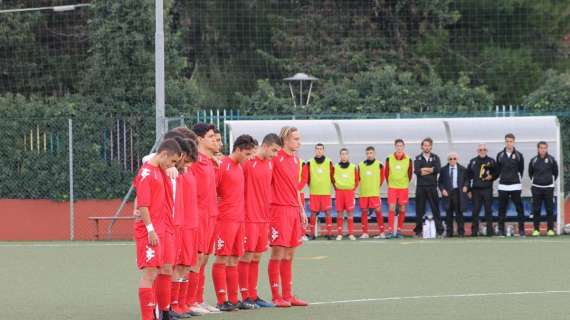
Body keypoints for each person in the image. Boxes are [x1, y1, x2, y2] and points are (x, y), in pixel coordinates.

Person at [132, 139, 181, 320]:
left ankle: (162, 312)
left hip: (162, 228)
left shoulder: (159, 170)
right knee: (150, 272)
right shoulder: (146, 173)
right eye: (172, 161)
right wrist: (150, 229)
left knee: (162, 269)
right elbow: (143, 205)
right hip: (149, 230)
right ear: (163, 155)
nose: (172, 165)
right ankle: (148, 317)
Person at [211, 135, 257, 311]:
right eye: (246, 153)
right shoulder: (223, 165)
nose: (248, 157)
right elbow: (211, 189)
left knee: (235, 258)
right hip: (225, 219)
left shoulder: (239, 167)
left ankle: (233, 298)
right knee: (222, 256)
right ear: (237, 149)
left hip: (239, 219)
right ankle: (221, 300)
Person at [238, 133, 282, 308]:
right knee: (246, 256)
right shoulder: (249, 162)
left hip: (264, 218)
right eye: (273, 150)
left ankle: (254, 294)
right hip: (249, 217)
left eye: (277, 152)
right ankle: (244, 296)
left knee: (256, 256)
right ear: (264, 146)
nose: (275, 154)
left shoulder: (270, 164)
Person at [268, 126, 308, 307]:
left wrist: (301, 209)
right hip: (278, 210)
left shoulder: (296, 161)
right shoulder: (275, 158)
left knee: (290, 254)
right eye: (296, 139)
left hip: (293, 210)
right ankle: (276, 296)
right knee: (278, 251)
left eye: (299, 139)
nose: (299, 142)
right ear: (285, 139)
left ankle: (288, 295)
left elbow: (295, 188)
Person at [188, 123, 221, 313]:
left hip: (211, 215)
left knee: (205, 258)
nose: (214, 139)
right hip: (198, 216)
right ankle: (189, 301)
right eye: (210, 136)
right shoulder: (194, 161)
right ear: (199, 139)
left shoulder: (210, 162)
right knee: (196, 258)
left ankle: (198, 299)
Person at [496, 133, 525, 237]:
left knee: (519, 209)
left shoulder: (519, 155)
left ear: (514, 142)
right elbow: (498, 169)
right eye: (507, 141)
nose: (509, 143)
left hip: (515, 186)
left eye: (511, 141)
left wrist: (515, 180)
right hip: (503, 186)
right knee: (501, 209)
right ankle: (500, 231)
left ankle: (521, 230)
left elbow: (521, 170)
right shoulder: (500, 155)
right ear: (505, 142)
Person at [413, 137, 443, 237]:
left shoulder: (435, 157)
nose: (426, 147)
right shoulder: (418, 158)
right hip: (421, 187)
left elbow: (437, 169)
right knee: (419, 210)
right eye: (425, 145)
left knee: (435, 209)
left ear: (431, 146)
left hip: (432, 186)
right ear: (422, 146)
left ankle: (440, 231)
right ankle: (418, 231)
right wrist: (430, 169)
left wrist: (424, 170)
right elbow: (417, 171)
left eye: (428, 145)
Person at [528, 141, 559, 236]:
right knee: (536, 209)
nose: (543, 150)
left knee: (549, 209)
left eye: (544, 148)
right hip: (536, 188)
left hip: (549, 188)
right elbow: (530, 173)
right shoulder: (533, 160)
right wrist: (537, 181)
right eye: (541, 148)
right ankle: (536, 230)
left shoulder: (552, 160)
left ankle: (550, 229)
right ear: (538, 149)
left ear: (547, 149)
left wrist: (549, 181)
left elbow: (555, 173)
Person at [305, 143, 335, 240]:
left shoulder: (329, 162)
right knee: (313, 213)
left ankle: (329, 233)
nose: (319, 150)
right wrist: (311, 186)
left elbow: (332, 176)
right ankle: (312, 234)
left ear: (323, 150)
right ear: (315, 150)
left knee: (328, 212)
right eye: (317, 149)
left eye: (321, 149)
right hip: (314, 192)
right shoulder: (309, 162)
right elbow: (307, 178)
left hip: (325, 192)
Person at [466, 144, 497, 236]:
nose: (482, 151)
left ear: (487, 151)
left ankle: (490, 232)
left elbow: (496, 173)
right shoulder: (473, 161)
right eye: (480, 150)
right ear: (477, 151)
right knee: (475, 211)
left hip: (487, 189)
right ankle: (474, 232)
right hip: (476, 190)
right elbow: (468, 177)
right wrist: (469, 190)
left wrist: (492, 176)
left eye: (484, 149)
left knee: (488, 210)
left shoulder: (491, 161)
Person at [384, 139, 413, 238]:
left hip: (403, 188)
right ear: (395, 147)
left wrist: (403, 183)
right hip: (392, 187)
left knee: (402, 208)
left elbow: (410, 174)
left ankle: (399, 230)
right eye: (397, 146)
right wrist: (391, 183)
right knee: (391, 208)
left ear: (403, 147)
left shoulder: (408, 159)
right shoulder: (389, 158)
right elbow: (386, 173)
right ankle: (391, 231)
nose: (399, 147)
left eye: (401, 146)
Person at [438, 152, 469, 237]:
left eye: (454, 158)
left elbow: (467, 180)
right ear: (448, 160)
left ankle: (461, 232)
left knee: (459, 214)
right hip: (448, 194)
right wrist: (442, 190)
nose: (452, 160)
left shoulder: (463, 169)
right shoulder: (443, 169)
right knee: (449, 214)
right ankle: (449, 232)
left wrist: (466, 186)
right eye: (450, 159)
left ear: (457, 159)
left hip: (458, 193)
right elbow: (440, 182)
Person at [358, 146, 385, 239]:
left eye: (371, 153)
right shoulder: (361, 165)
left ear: (374, 153)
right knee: (364, 212)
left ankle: (382, 232)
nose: (369, 155)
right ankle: (365, 233)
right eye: (368, 153)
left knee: (378, 211)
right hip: (364, 193)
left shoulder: (379, 164)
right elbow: (358, 178)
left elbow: (382, 179)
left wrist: (375, 187)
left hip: (374, 193)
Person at [334, 148, 359, 240]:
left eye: (345, 154)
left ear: (348, 156)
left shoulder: (353, 167)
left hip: (349, 193)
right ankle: (339, 234)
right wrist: (337, 188)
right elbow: (332, 180)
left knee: (350, 213)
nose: (344, 156)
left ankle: (351, 234)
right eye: (342, 154)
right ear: (340, 156)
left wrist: (352, 190)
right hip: (339, 192)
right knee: (339, 213)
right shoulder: (335, 167)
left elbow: (357, 180)